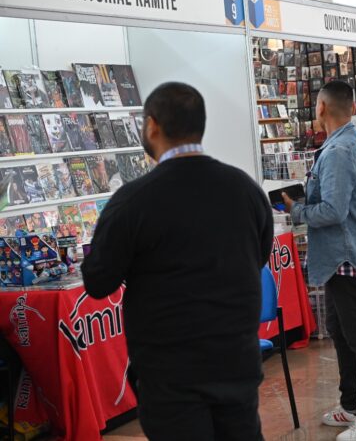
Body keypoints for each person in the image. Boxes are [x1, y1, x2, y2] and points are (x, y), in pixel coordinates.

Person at [81, 82, 273, 441]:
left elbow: (98, 280)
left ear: (152, 126)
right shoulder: (245, 189)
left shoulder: (133, 200)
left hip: (171, 373)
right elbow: (258, 256)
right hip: (236, 361)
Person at [282, 81, 356, 440]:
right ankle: (352, 403)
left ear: (321, 108)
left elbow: (333, 210)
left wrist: (296, 210)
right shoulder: (348, 142)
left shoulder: (340, 150)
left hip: (345, 255)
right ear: (354, 108)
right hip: (339, 256)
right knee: (341, 329)